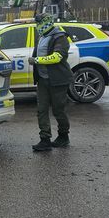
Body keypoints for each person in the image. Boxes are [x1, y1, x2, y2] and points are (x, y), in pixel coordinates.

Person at [28, 13, 73, 152]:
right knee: (41, 110)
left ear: (46, 23)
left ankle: (63, 136)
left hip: (58, 80)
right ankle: (45, 139)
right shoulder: (42, 37)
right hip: (43, 80)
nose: (37, 26)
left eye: (38, 23)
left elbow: (57, 57)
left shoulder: (60, 37)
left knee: (58, 110)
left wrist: (36, 60)